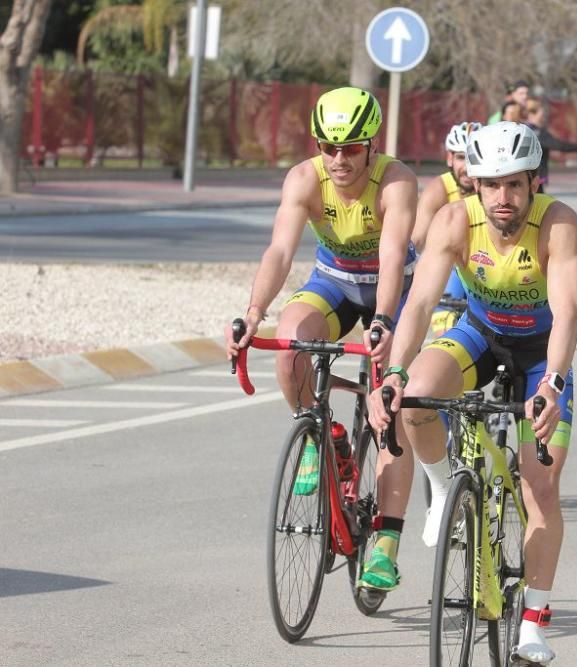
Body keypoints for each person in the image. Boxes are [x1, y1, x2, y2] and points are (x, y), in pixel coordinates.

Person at [367, 121, 577, 665]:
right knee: (416, 399)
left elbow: (568, 313)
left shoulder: (557, 224)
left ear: (534, 182)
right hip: (481, 335)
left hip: (540, 355)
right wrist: (393, 375)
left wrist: (554, 384)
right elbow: (417, 307)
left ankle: (533, 622)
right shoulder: (453, 219)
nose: (503, 197)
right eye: (492, 184)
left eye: (515, 184)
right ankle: (444, 488)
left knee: (541, 489)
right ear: (476, 185)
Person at [224, 86, 418, 591]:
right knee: (291, 345)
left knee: (389, 412)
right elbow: (280, 251)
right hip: (333, 283)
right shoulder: (304, 179)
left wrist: (383, 321)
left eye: (351, 147)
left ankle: (386, 546)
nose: (338, 159)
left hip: (390, 291)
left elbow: (394, 255)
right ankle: (321, 433)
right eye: (327, 146)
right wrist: (252, 315)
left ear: (371, 144)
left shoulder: (395, 182)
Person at [412, 122, 480, 335]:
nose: (468, 168)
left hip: (487, 266)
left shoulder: (494, 187)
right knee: (445, 323)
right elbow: (417, 238)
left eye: (473, 158)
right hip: (452, 267)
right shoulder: (438, 190)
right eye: (461, 157)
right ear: (450, 158)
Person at [524, 98, 577, 193]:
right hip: (535, 180)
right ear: (532, 114)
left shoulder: (522, 129)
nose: (543, 117)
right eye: (541, 114)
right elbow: (561, 146)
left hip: (525, 178)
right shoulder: (538, 133)